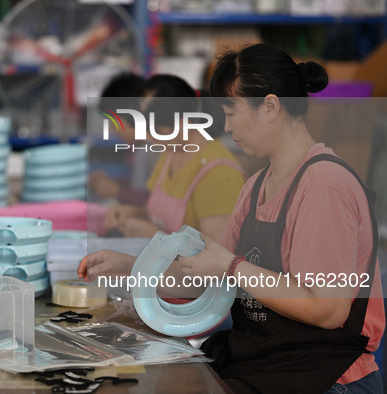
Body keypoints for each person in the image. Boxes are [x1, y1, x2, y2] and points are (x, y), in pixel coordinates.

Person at [80, 44, 385, 393]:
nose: (225, 125)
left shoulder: (324, 185)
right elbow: (206, 276)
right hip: (269, 362)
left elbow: (326, 310)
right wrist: (133, 267)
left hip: (327, 375)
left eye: (230, 111)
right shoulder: (256, 187)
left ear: (270, 107)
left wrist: (233, 266)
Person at [102, 74, 246, 239]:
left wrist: (156, 236)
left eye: (158, 132)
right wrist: (135, 213)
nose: (149, 139)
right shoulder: (171, 151)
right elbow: (160, 213)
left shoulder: (219, 174)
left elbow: (219, 257)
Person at [89, 72, 149, 205]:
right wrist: (114, 183)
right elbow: (139, 187)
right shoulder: (137, 149)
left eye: (113, 121)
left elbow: (154, 202)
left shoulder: (154, 151)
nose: (112, 128)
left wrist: (117, 191)